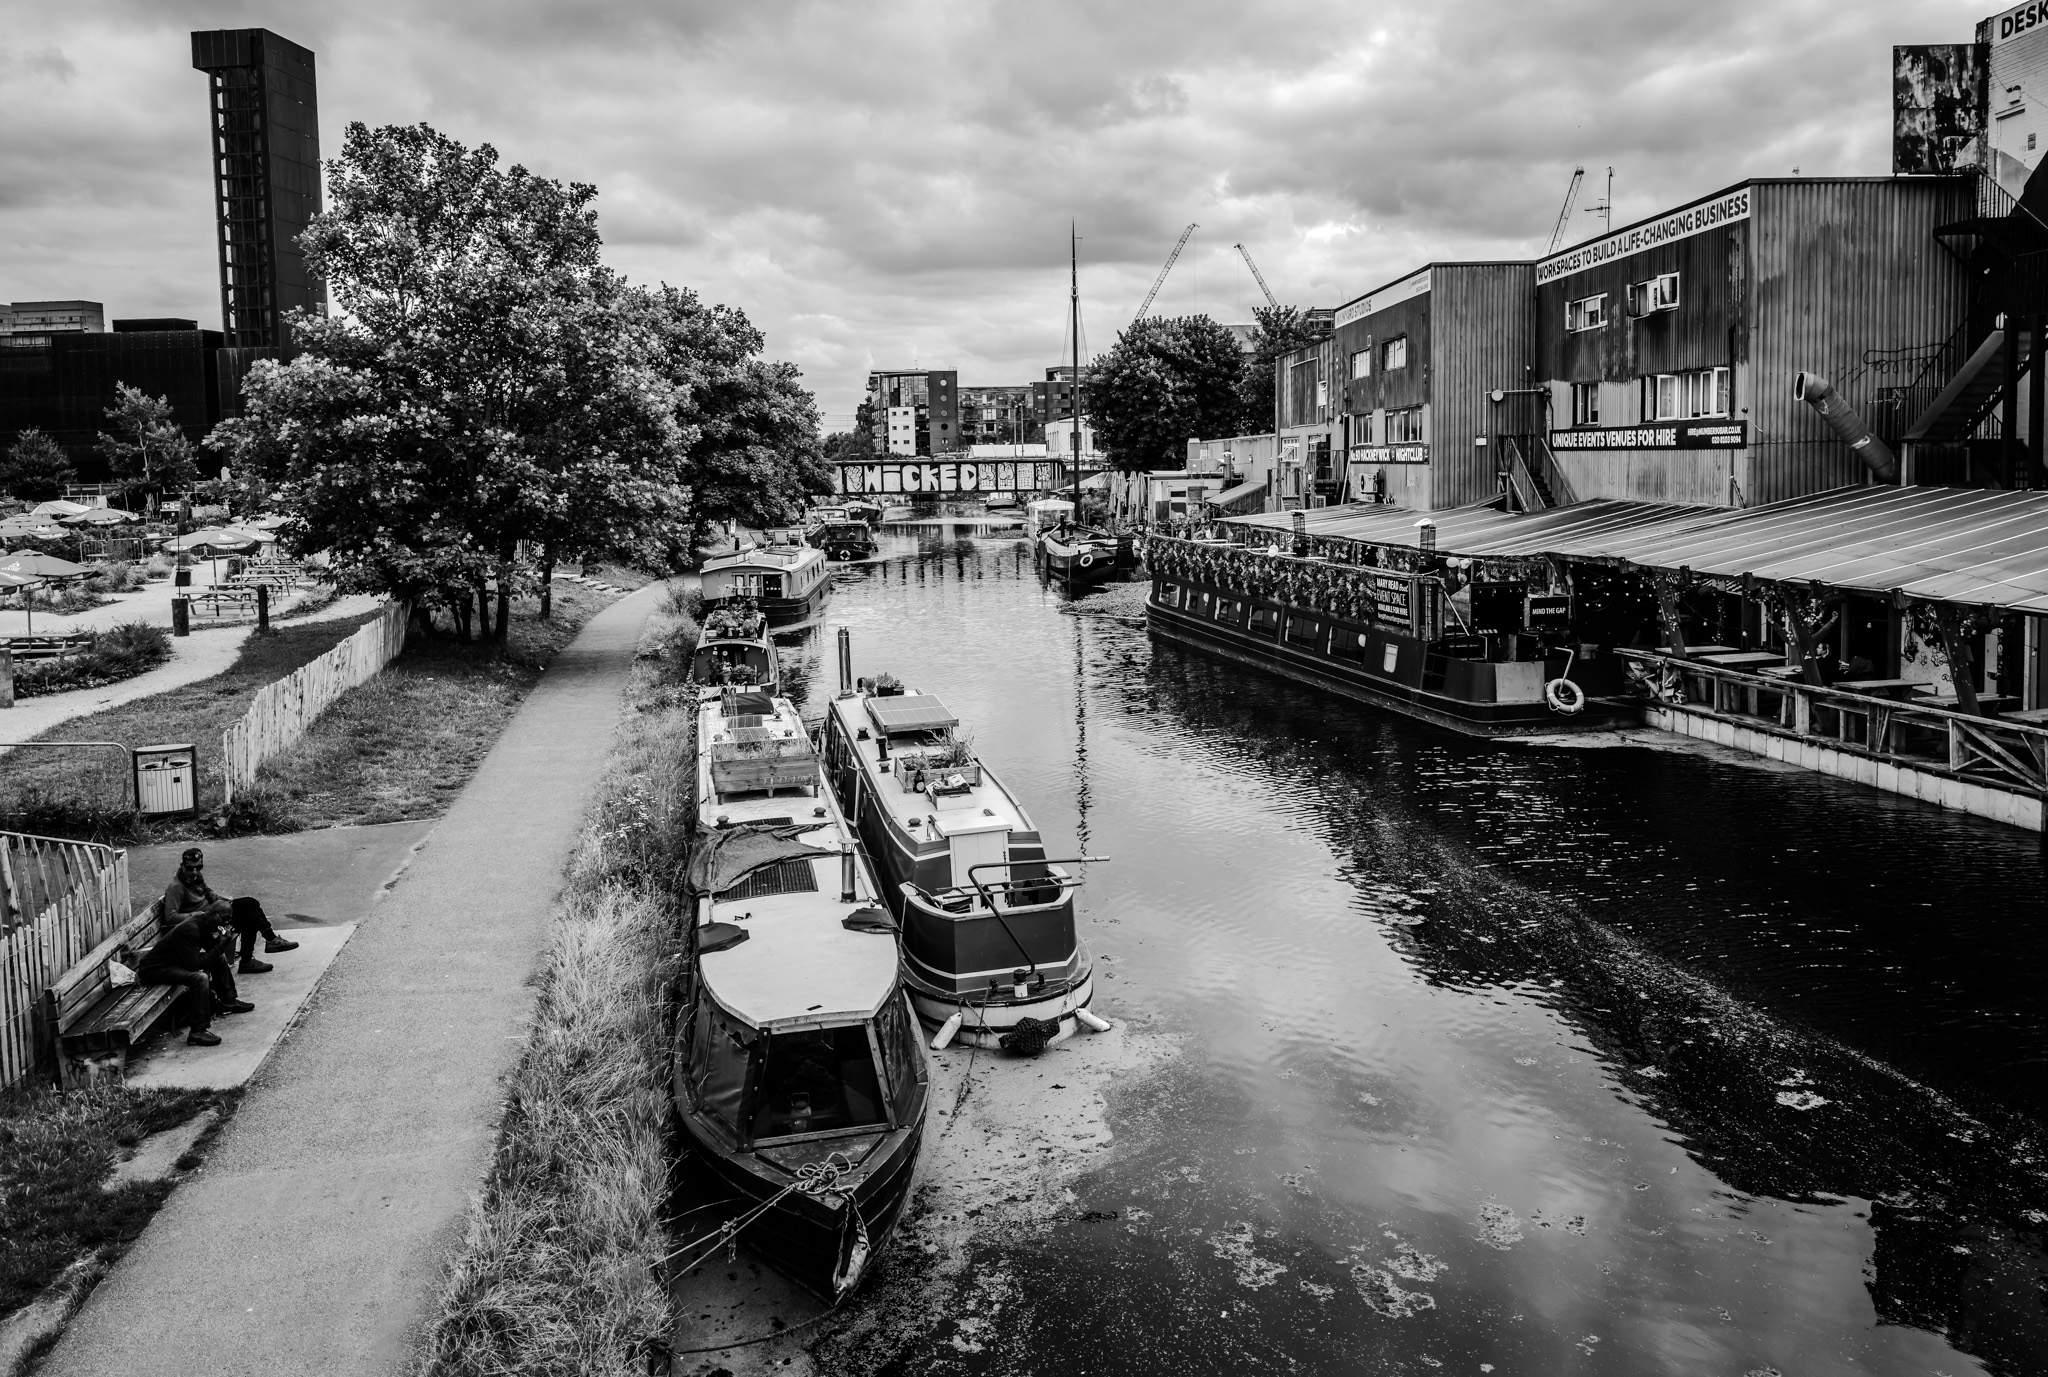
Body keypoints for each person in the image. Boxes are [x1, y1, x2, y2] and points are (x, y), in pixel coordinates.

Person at [165, 847, 298, 975]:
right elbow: (170, 917)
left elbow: (209, 893)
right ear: (182, 866)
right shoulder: (176, 887)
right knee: (248, 914)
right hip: (207, 923)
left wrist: (224, 901)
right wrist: (199, 915)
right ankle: (259, 950)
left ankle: (263, 945)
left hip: (216, 913)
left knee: (250, 905)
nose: (195, 872)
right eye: (190, 868)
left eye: (199, 867)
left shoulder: (195, 878)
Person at [137, 904, 253, 1047]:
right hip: (154, 969)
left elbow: (210, 949)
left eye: (228, 920)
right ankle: (197, 1031)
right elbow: (194, 965)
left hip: (175, 962)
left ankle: (228, 1001)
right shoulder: (191, 929)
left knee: (218, 958)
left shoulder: (203, 921)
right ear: (212, 914)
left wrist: (221, 942)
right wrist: (220, 945)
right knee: (199, 978)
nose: (225, 923)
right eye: (223, 919)